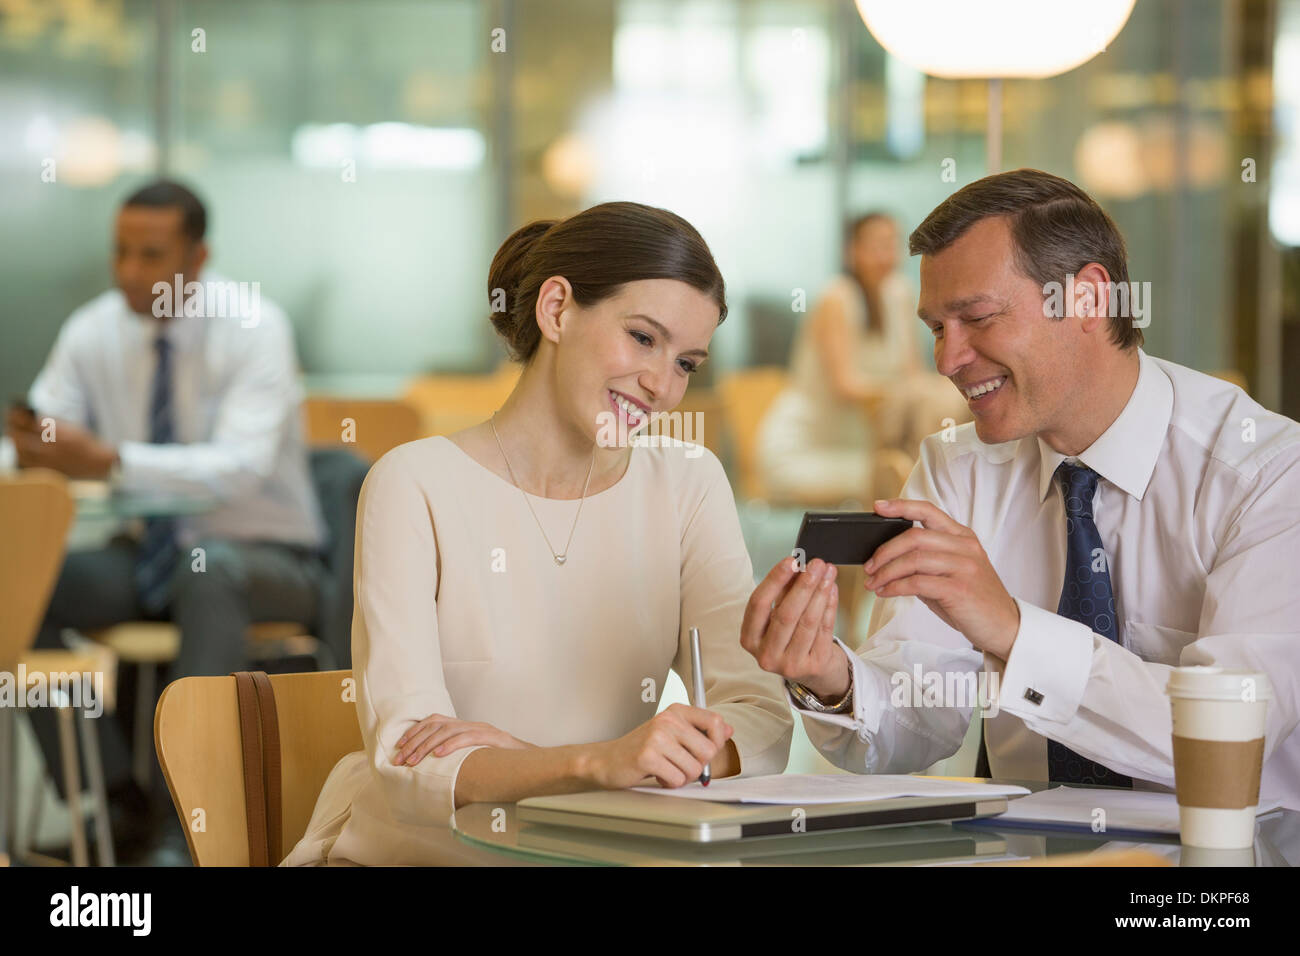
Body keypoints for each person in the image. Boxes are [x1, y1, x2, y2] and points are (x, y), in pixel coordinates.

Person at [741, 169, 1300, 811]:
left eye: (976, 318)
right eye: (936, 329)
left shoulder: (1266, 475)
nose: (947, 361)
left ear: (1088, 300)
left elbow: (1231, 735)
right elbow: (922, 715)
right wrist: (833, 678)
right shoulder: (957, 466)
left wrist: (1011, 629)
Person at [283, 202, 794, 866]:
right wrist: (596, 763)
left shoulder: (689, 483)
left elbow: (759, 720)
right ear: (557, 309)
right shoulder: (414, 482)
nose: (662, 386)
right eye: (643, 338)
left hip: (588, 851)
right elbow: (408, 762)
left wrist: (569, 765)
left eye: (687, 363)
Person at [2, 180, 326, 859]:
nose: (130, 272)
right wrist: (32, 449)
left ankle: (190, 827)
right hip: (148, 557)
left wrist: (112, 460)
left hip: (266, 558)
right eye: (121, 252)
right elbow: (49, 434)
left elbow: (241, 466)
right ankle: (118, 793)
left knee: (210, 574)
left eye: (151, 255)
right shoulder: (94, 329)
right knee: (18, 581)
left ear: (198, 257)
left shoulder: (254, 327)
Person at [757, 212, 965, 505]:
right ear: (852, 251)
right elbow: (847, 385)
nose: (887, 255)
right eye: (877, 246)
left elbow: (913, 373)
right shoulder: (837, 298)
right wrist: (910, 392)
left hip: (866, 446)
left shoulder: (900, 293)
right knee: (905, 480)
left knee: (915, 468)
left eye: (892, 245)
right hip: (808, 448)